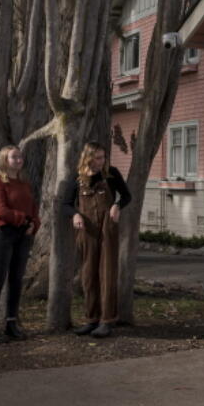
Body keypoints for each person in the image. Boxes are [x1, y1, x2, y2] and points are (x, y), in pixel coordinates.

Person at [63, 142, 131, 338]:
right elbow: (66, 204)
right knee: (88, 274)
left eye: (103, 157)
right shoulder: (77, 179)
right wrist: (75, 215)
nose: (102, 161)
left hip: (107, 229)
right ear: (88, 158)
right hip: (87, 231)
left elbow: (127, 196)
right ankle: (91, 319)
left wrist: (117, 205)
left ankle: (107, 320)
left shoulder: (112, 174)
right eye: (98, 158)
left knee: (107, 272)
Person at [0, 145, 40, 343]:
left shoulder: (24, 183)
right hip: (2, 234)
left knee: (16, 280)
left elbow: (33, 207)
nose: (18, 160)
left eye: (20, 156)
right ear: (4, 160)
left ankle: (11, 323)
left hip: (22, 235)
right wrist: (23, 219)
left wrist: (34, 223)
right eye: (14, 157)